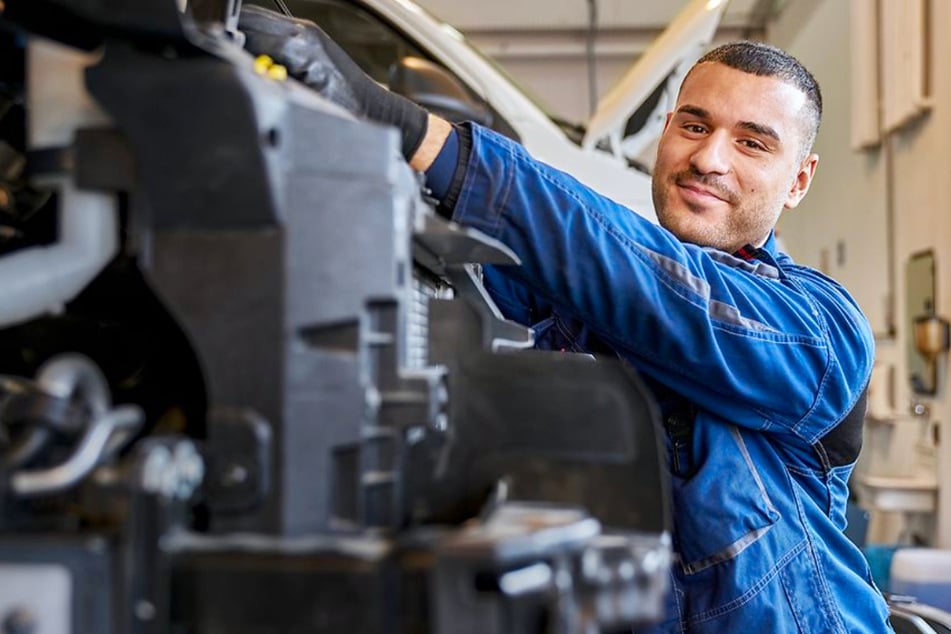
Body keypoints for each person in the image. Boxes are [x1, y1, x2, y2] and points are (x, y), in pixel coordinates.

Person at [238, 6, 894, 632]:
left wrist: (404, 124)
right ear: (665, 133)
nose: (708, 159)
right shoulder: (568, 295)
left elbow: (667, 293)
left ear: (799, 179)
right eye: (693, 126)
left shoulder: (819, 330)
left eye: (751, 143)